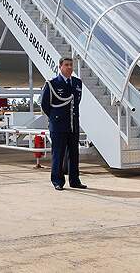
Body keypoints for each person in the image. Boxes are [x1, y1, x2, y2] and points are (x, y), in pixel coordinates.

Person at [41, 57, 86, 191]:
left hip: (73, 124)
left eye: (71, 65)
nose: (69, 67)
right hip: (58, 125)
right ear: (60, 67)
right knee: (58, 154)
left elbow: (76, 102)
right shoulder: (52, 84)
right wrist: (55, 118)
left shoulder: (77, 83)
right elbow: (45, 105)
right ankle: (57, 181)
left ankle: (75, 180)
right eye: (66, 65)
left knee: (74, 154)